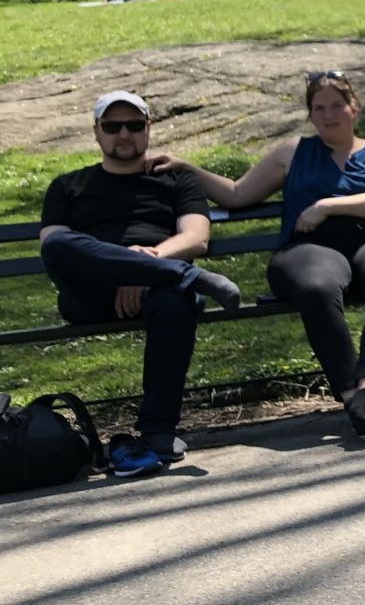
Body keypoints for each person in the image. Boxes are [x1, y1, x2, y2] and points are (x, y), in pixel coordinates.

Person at [153, 74, 365, 445]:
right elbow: (237, 194)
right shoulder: (292, 152)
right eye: (319, 108)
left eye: (337, 105)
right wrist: (187, 168)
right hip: (309, 248)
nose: (329, 115)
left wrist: (326, 206)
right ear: (310, 115)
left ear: (355, 108)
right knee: (316, 288)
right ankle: (354, 400)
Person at [38, 91, 242, 478]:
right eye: (112, 127)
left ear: (148, 129)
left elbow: (195, 238)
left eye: (134, 125)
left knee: (176, 303)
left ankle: (158, 433)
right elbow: (53, 246)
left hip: (157, 289)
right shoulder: (68, 186)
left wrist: (144, 267)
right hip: (90, 293)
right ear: (96, 133)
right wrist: (129, 269)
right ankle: (187, 276)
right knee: (60, 242)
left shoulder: (177, 180)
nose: (124, 134)